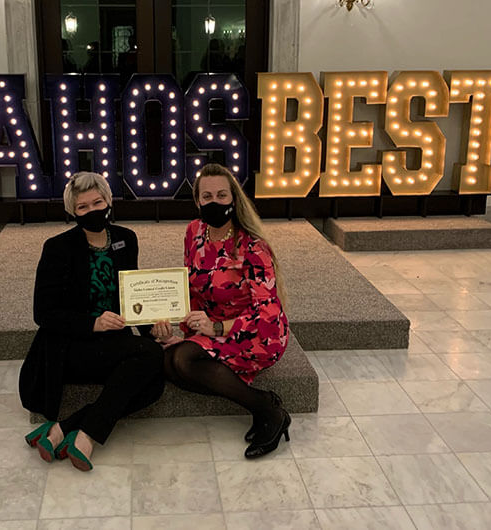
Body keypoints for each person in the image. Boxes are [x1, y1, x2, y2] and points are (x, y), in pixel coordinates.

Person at [19, 172, 165, 471]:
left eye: (97, 202)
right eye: (82, 207)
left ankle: (66, 428)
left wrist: (153, 327)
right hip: (69, 345)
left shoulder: (126, 238)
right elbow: (43, 313)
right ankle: (87, 437)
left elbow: (130, 297)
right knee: (149, 359)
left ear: (109, 202)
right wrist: (92, 323)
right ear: (72, 211)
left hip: (110, 342)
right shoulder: (57, 247)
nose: (92, 211)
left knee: (153, 384)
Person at [152, 163, 290, 459]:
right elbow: (190, 286)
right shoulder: (194, 232)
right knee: (168, 360)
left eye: (222, 195)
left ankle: (268, 408)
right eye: (207, 196)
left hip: (257, 333)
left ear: (234, 199)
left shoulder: (253, 248)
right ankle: (264, 406)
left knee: (185, 361)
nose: (214, 202)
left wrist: (215, 328)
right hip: (209, 325)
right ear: (198, 200)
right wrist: (171, 319)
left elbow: (267, 314)